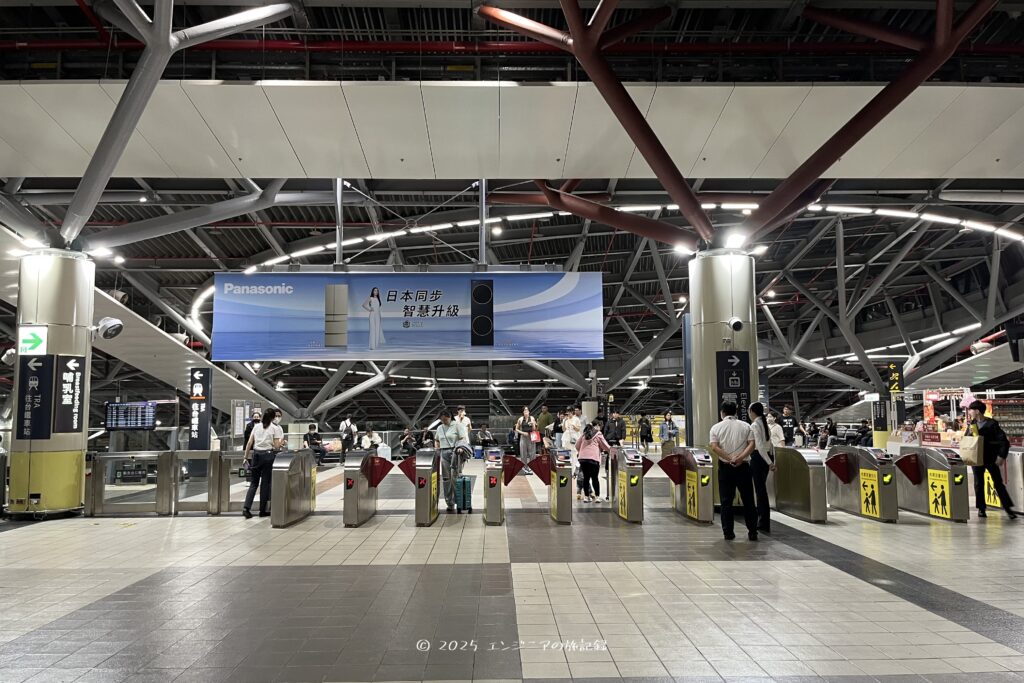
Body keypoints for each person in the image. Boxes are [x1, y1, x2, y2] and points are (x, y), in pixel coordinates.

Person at [709, 401, 758, 541]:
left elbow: (714, 447)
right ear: (735, 412)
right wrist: (740, 458)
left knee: (726, 501)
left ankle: (728, 533)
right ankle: (753, 532)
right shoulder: (746, 426)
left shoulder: (716, 427)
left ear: (722, 412)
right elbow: (752, 444)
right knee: (748, 500)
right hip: (743, 467)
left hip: (726, 468)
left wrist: (730, 458)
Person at [965, 400, 1017, 519]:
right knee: (979, 483)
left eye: (971, 410)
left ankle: (1008, 509)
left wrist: (1001, 456)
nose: (970, 412)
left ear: (977, 411)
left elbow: (1004, 441)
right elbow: (967, 440)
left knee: (998, 483)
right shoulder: (971, 424)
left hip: (991, 458)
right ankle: (981, 509)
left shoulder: (992, 424)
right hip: (977, 458)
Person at [243, 408, 283, 519]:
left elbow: (250, 442)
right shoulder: (274, 428)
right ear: (272, 417)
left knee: (254, 483)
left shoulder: (256, 427)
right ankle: (262, 510)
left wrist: (245, 457)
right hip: (267, 456)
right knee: (265, 483)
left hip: (256, 455)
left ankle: (246, 508)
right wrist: (281, 443)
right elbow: (276, 446)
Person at [748, 402, 775, 533]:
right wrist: (771, 460)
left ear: (752, 411)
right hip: (766, 458)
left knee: (760, 491)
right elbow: (771, 445)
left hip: (759, 458)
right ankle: (764, 520)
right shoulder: (765, 424)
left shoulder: (754, 425)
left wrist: (770, 462)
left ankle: (763, 521)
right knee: (761, 491)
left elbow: (759, 446)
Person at [435, 410, 468, 513]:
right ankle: (449, 503)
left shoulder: (457, 425)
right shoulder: (440, 428)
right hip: (443, 453)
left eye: (445, 419)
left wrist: (461, 448)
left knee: (455, 477)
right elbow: (437, 440)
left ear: (449, 417)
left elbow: (463, 438)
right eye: (441, 420)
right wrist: (437, 450)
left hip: (455, 452)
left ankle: (459, 502)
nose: (443, 421)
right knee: (446, 479)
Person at [575, 421, 610, 503]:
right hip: (593, 459)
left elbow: (577, 445)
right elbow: (605, 445)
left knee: (586, 478)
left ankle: (586, 497)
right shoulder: (598, 434)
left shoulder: (584, 434)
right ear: (597, 426)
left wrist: (582, 451)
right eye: (600, 426)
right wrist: (611, 450)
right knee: (595, 478)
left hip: (583, 459)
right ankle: (597, 497)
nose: (600, 428)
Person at [362, 286, 385, 350]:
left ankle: (376, 345)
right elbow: (363, 305)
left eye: (377, 291)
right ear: (372, 291)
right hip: (372, 315)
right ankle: (372, 346)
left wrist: (380, 316)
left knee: (377, 329)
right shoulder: (370, 298)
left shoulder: (378, 299)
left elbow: (378, 309)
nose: (376, 292)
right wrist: (369, 309)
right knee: (372, 329)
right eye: (375, 290)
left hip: (378, 315)